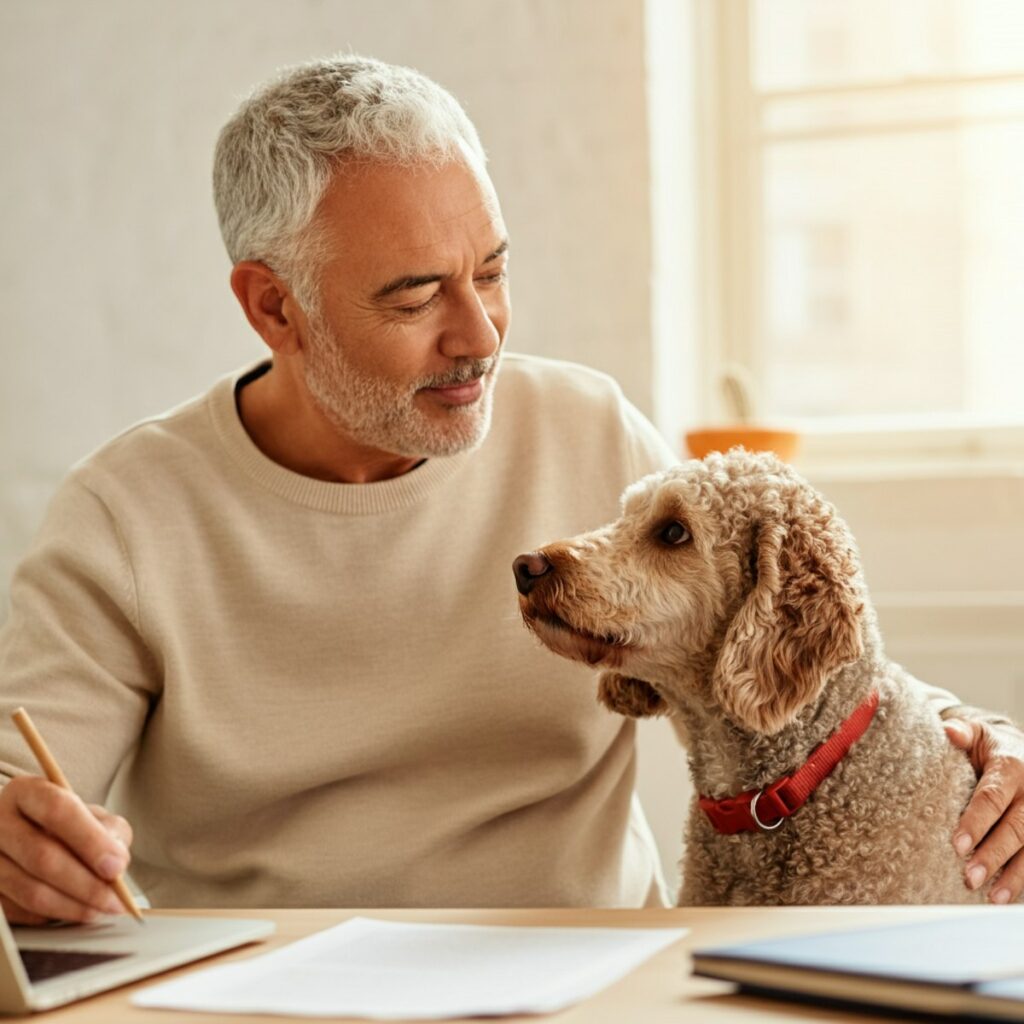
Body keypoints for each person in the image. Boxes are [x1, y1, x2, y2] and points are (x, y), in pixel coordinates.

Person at [0, 55, 1021, 924]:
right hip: (269, 998)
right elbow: (18, 777)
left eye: (489, 271)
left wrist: (987, 741)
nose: (480, 335)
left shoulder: (590, 430)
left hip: (603, 990)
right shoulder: (127, 515)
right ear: (274, 306)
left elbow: (785, 644)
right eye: (414, 296)